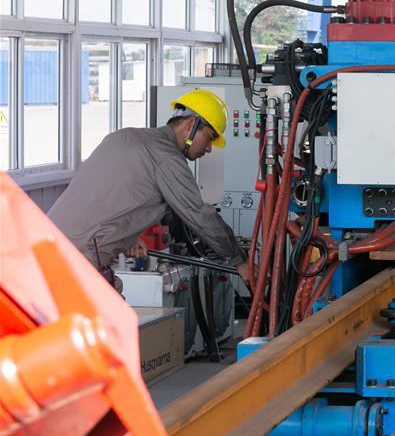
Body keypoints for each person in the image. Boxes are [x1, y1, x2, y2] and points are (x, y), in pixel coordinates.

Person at [49, 89, 251, 288]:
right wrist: (240, 260)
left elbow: (104, 195)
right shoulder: (168, 158)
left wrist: (127, 236)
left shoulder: (123, 137)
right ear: (191, 124)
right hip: (77, 259)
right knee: (109, 317)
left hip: (45, 243)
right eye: (209, 137)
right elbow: (200, 215)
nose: (208, 148)